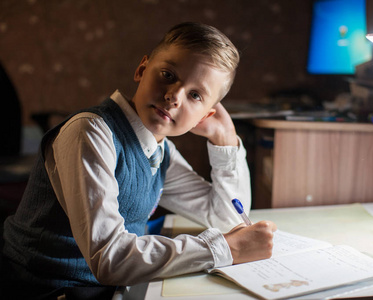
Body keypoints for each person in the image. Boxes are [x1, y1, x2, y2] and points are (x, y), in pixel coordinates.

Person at [1, 22, 277, 299]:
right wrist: (224, 249)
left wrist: (226, 139)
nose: (174, 96)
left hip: (104, 288)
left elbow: (228, 217)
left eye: (195, 95)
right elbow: (108, 259)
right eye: (168, 75)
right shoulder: (90, 133)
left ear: (205, 116)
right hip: (44, 288)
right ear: (142, 70)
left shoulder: (159, 150)